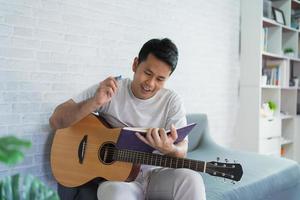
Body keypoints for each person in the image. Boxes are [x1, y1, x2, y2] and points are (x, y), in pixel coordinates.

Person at [49, 38, 206, 200]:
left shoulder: (172, 101)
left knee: (192, 179)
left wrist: (170, 149)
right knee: (114, 194)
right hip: (119, 182)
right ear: (135, 64)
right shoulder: (113, 88)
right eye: (147, 73)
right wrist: (94, 102)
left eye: (160, 79)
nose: (150, 84)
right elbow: (56, 121)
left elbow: (181, 152)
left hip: (156, 176)